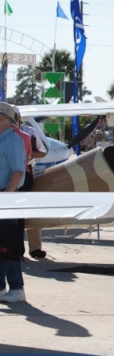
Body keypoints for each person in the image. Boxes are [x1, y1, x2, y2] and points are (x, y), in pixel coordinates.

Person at [0, 102, 27, 303]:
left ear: (5, 120)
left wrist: (7, 196)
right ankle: (1, 287)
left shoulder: (13, 141)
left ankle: (16, 288)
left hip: (7, 196)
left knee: (9, 245)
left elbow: (18, 172)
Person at [15, 107, 47, 258]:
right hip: (10, 173)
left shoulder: (30, 132)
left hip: (27, 172)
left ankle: (35, 248)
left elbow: (43, 151)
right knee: (14, 214)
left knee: (29, 208)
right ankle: (15, 249)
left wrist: (29, 154)